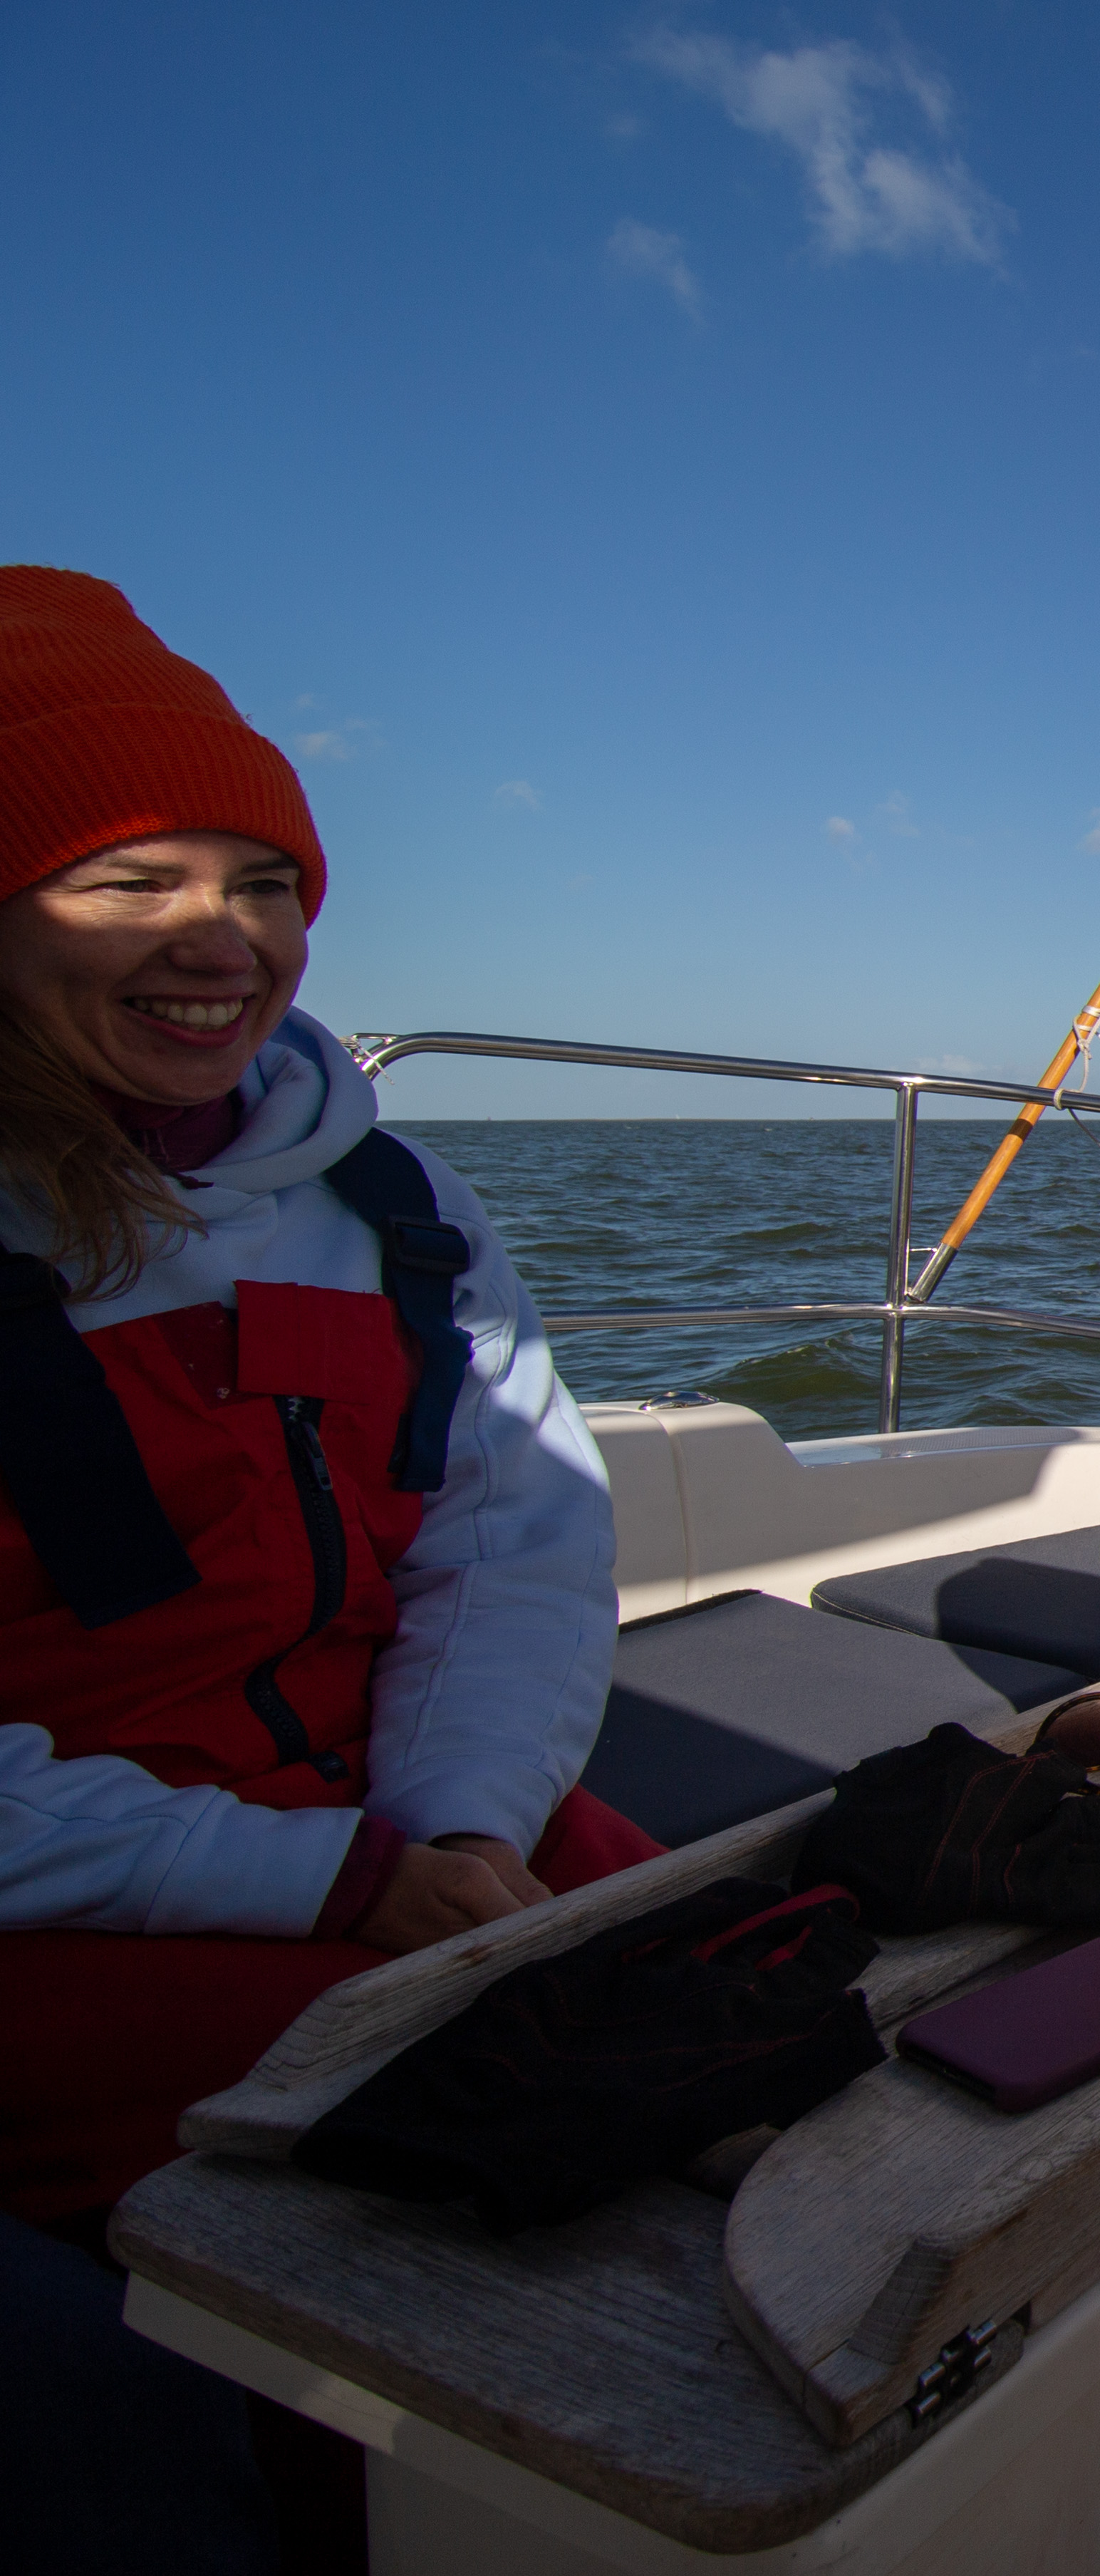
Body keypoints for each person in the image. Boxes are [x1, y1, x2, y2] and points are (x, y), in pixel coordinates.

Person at [0, 567, 650, 2568]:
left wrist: (458, 1824)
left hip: (377, 1813)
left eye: (264, 880)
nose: (226, 941)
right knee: (467, 2110)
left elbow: (511, 1543)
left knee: (735, 1969)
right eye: (132, 880)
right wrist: (338, 1889)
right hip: (73, 1901)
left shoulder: (391, 1203)